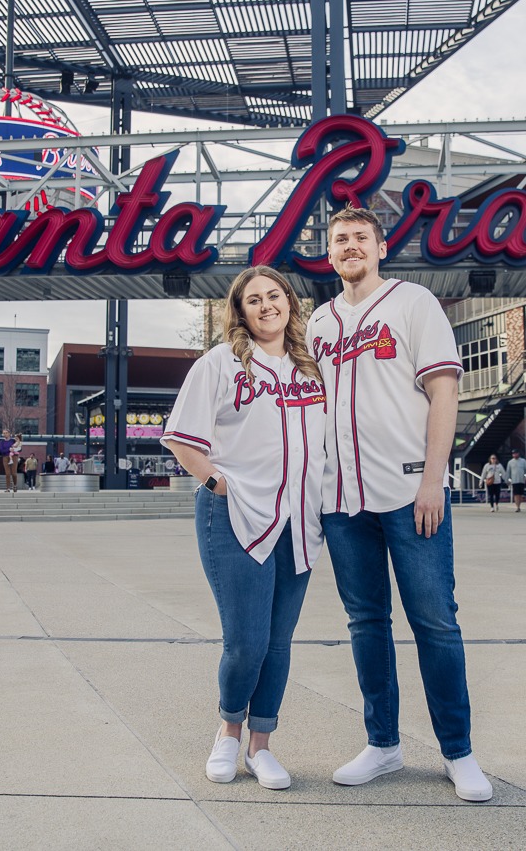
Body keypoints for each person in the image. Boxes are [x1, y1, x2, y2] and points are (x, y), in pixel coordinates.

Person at [307, 205, 492, 803]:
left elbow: (444, 391)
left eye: (361, 237)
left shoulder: (414, 303)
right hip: (342, 498)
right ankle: (383, 744)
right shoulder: (318, 324)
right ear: (329, 253)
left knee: (435, 622)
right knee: (366, 623)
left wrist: (434, 480)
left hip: (411, 493)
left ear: (381, 247)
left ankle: (458, 752)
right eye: (340, 240)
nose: (350, 246)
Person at [162, 266, 326, 792]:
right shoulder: (221, 363)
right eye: (253, 299)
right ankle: (228, 733)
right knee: (246, 641)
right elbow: (182, 438)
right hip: (234, 515)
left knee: (279, 642)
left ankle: (262, 745)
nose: (265, 306)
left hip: (299, 518)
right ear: (240, 311)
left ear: (289, 304)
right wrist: (216, 485)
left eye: (274, 296)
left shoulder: (313, 368)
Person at [0, 428, 20, 493]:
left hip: (14, 457)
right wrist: (9, 449)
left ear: (9, 434)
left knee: (14, 473)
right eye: (4, 433)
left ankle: (15, 485)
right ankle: (8, 488)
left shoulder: (13, 441)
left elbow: (19, 448)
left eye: (6, 433)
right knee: (7, 473)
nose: (5, 434)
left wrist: (14, 450)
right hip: (5, 457)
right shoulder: (1, 442)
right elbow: (1, 451)